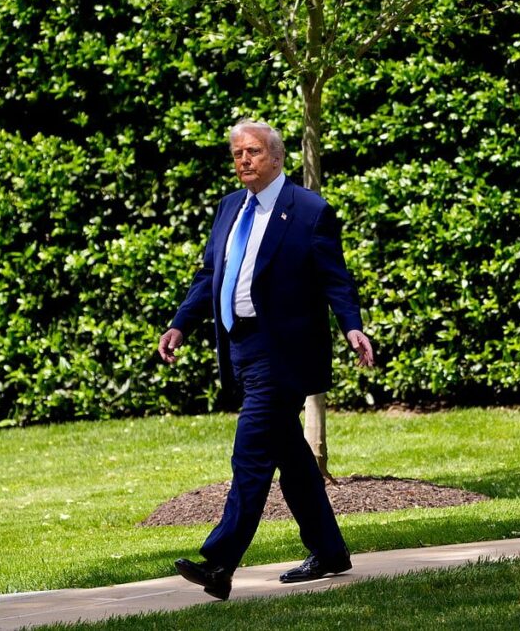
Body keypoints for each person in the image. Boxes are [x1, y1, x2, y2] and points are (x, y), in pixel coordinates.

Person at [157, 119, 374, 600]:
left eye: (253, 151)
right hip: (240, 347)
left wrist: (352, 325)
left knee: (251, 452)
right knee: (290, 455)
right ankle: (329, 550)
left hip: (284, 353)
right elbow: (210, 275)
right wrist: (180, 324)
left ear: (276, 157)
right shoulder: (229, 207)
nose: (244, 160)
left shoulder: (309, 210)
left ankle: (220, 563)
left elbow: (334, 278)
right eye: (237, 153)